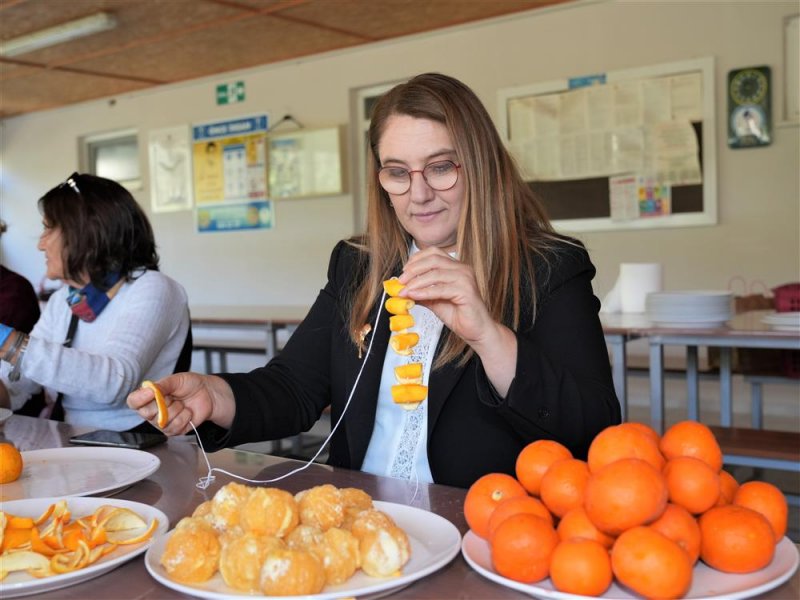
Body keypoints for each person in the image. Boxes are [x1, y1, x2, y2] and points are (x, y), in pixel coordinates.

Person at [128, 74, 620, 488]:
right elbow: (294, 388)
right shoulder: (358, 264)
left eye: (442, 167)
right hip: (363, 518)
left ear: (482, 165)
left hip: (485, 532)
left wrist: (490, 337)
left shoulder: (550, 267)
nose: (419, 193)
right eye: (397, 172)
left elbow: (594, 430)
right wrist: (216, 398)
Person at [0, 173, 191, 431]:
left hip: (142, 450)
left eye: (47, 228)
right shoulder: (63, 300)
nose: (41, 245)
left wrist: (5, 340)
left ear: (85, 233)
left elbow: (113, 382)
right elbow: (18, 385)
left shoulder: (153, 289)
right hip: (73, 443)